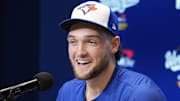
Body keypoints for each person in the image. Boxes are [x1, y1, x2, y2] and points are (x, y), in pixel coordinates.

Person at [56, 1, 167, 101]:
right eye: (73, 41)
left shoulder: (140, 95)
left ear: (114, 45)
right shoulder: (67, 91)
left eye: (91, 42)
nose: (80, 52)